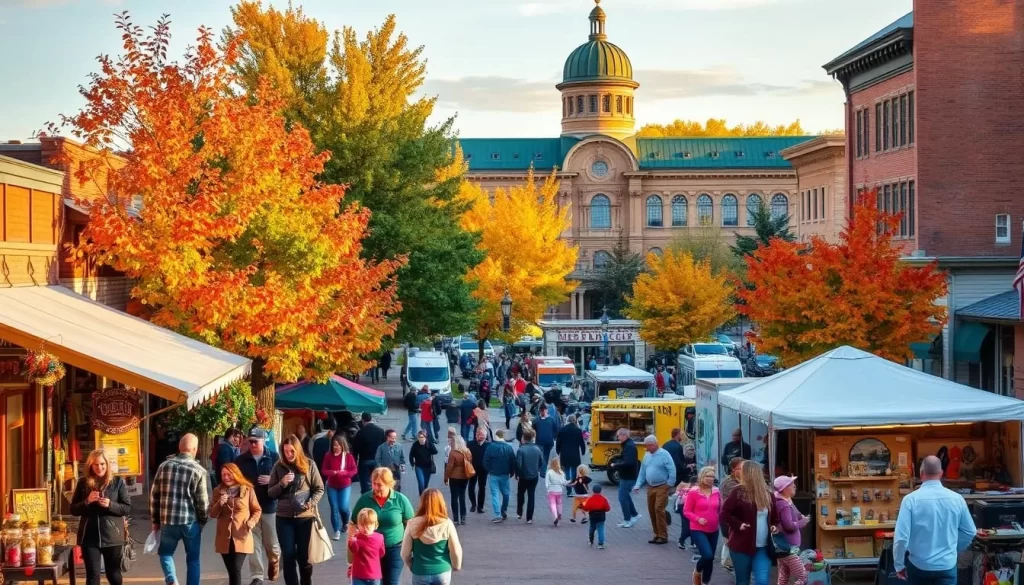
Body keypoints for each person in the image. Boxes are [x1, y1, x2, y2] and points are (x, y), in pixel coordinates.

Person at [893, 456, 978, 585]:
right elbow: (970, 531)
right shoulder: (957, 499)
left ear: (921, 474)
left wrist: (899, 565)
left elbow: (901, 538)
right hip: (947, 566)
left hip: (918, 566)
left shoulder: (910, 500)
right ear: (941, 473)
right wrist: (953, 549)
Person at [150, 433, 209, 585]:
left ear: (179, 447)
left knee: (165, 553)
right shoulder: (199, 470)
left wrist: (155, 521)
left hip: (168, 521)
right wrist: (202, 521)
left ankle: (171, 579)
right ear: (195, 449)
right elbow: (202, 502)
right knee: (193, 559)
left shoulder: (163, 466)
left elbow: (154, 496)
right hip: (190, 522)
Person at [268, 435, 325, 585]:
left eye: (292, 451)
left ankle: (306, 581)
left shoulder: (309, 465)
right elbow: (271, 493)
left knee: (304, 557)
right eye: (286, 451)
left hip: (304, 517)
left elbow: (319, 488)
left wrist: (311, 503)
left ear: (298, 450)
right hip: (284, 517)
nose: (289, 455)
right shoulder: (278, 466)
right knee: (288, 554)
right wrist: (282, 483)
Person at [71, 449, 132, 585]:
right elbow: (73, 509)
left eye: (102, 464)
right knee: (93, 575)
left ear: (107, 464)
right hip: (89, 537)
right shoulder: (83, 483)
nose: (99, 468)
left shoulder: (117, 482)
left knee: (113, 573)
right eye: (96, 465)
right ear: (90, 466)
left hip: (113, 536)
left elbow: (127, 508)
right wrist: (87, 501)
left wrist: (111, 505)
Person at [351, 468, 416, 585]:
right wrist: (351, 556)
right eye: (373, 484)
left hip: (395, 548)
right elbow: (353, 522)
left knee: (392, 582)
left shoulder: (400, 500)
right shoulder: (365, 499)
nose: (375, 488)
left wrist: (411, 546)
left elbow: (411, 524)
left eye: (379, 485)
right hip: (369, 551)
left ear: (389, 484)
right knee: (376, 582)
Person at [234, 428, 281, 585]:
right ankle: (257, 576)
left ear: (263, 441)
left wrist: (271, 480)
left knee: (272, 545)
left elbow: (284, 481)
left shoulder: (274, 458)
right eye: (250, 441)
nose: (252, 444)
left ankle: (274, 562)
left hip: (269, 506)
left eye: (255, 441)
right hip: (249, 509)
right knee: (253, 543)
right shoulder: (241, 460)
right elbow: (234, 481)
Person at [721, 460, 778, 585]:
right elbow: (724, 514)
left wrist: (774, 526)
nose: (739, 472)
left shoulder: (768, 493)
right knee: (743, 581)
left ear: (750, 473)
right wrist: (738, 524)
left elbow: (775, 518)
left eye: (742, 469)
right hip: (741, 545)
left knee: (762, 581)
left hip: (763, 547)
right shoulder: (738, 492)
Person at [210, 463, 262, 585]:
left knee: (236, 568)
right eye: (223, 475)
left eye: (229, 474)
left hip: (242, 535)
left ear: (236, 474)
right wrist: (219, 503)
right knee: (232, 571)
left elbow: (257, 510)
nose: (226, 478)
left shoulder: (248, 489)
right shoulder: (218, 491)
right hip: (224, 538)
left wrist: (251, 521)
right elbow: (212, 514)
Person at [401, 489, 464, 585]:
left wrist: (411, 566)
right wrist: (457, 565)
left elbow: (405, 553)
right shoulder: (446, 523)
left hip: (420, 571)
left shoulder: (412, 523)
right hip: (442, 570)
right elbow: (455, 550)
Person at [634, 434, 677, 545]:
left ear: (654, 444)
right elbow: (642, 471)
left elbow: (672, 469)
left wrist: (669, 484)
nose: (646, 448)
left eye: (647, 446)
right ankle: (657, 534)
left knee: (659, 509)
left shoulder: (664, 454)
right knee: (652, 510)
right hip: (650, 486)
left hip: (662, 485)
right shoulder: (647, 455)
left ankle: (663, 535)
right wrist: (638, 484)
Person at [685, 467, 721, 585]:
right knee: (707, 555)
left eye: (712, 476)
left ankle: (705, 582)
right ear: (702, 477)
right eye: (708, 476)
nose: (711, 479)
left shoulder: (716, 491)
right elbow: (686, 511)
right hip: (698, 529)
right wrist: (697, 519)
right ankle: (697, 571)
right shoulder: (694, 492)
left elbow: (720, 509)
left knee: (711, 558)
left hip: (714, 529)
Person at [774, 475, 810, 585]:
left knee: (784, 577)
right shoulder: (783, 505)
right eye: (791, 484)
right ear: (785, 489)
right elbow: (789, 525)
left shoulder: (785, 501)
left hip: (784, 547)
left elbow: (796, 513)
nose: (794, 486)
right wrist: (802, 522)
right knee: (803, 577)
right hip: (789, 547)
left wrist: (801, 516)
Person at [321, 435, 358, 540]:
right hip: (332, 486)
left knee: (343, 507)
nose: (335, 447)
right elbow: (324, 470)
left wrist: (346, 473)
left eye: (337, 445)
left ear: (342, 445)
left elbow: (354, 470)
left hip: (345, 485)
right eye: (333, 445)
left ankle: (345, 521)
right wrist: (332, 472)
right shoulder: (328, 456)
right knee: (334, 508)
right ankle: (336, 530)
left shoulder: (348, 456)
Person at [483, 429, 516, 523]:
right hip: (505, 474)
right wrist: (512, 472)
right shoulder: (509, 448)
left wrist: (490, 469)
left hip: (493, 474)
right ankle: (504, 510)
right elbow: (513, 461)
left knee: (495, 494)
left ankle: (498, 514)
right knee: (506, 494)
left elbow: (485, 461)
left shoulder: (490, 447)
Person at [609, 429, 641, 528]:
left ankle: (628, 519)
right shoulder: (628, 445)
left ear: (624, 435)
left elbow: (629, 462)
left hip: (628, 476)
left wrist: (616, 465)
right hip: (627, 475)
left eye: (618, 436)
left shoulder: (629, 446)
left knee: (622, 497)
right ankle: (634, 515)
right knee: (625, 496)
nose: (617, 438)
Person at [349, 509, 386, 585]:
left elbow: (353, 550)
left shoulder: (356, 538)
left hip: (359, 574)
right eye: (363, 525)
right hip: (374, 574)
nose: (366, 528)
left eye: (369, 524)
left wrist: (351, 537)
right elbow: (382, 553)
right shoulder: (380, 537)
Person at [719, 457, 744, 570]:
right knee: (730, 539)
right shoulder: (729, 483)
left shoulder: (742, 481)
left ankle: (729, 562)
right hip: (730, 517)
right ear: (733, 469)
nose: (743, 470)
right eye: (740, 468)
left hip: (738, 517)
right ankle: (728, 562)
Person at [353, 412, 387, 493]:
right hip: (377, 461)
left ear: (362, 420)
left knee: (365, 487)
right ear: (371, 419)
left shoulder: (361, 432)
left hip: (364, 461)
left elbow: (355, 449)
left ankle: (366, 501)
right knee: (377, 483)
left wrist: (354, 462)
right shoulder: (380, 431)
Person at [515, 429, 544, 524]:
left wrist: (517, 473)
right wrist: (537, 469)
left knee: (520, 494)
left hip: (523, 476)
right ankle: (529, 518)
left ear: (523, 438)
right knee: (531, 496)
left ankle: (519, 511)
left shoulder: (521, 450)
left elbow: (518, 464)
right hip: (534, 476)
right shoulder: (537, 449)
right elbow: (541, 462)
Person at [443, 435, 473, 525]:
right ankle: (463, 516)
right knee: (462, 496)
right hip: (464, 477)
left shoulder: (453, 453)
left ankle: (456, 518)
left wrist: (446, 478)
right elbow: (470, 462)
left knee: (454, 497)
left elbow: (449, 467)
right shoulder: (467, 451)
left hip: (454, 477)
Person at [555, 414, 586, 497]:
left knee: (566, 470)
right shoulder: (578, 430)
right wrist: (583, 451)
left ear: (567, 420)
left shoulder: (562, 430)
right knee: (574, 471)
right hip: (575, 454)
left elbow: (558, 442)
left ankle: (569, 490)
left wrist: (558, 450)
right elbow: (581, 442)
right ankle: (572, 488)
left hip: (564, 453)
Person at [581, 483, 612, 549]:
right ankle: (600, 544)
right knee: (601, 529)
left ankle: (591, 540)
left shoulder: (590, 499)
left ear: (593, 491)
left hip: (593, 516)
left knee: (592, 528)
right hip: (601, 517)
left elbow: (586, 508)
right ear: (600, 491)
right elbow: (608, 509)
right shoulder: (603, 499)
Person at [467, 428, 490, 514]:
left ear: (485, 436)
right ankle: (473, 504)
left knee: (482, 487)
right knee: (471, 486)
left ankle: (480, 507)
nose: (479, 436)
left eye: (482, 434)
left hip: (483, 470)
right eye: (478, 434)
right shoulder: (470, 444)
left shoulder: (489, 445)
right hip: (472, 469)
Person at [409, 430, 438, 495]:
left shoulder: (429, 444)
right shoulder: (415, 445)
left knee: (425, 484)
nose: (421, 439)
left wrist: (430, 444)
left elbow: (435, 452)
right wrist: (412, 464)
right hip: (419, 467)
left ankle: (424, 496)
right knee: (421, 483)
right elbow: (411, 455)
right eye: (419, 437)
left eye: (422, 437)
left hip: (428, 467)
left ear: (425, 438)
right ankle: (422, 497)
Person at [533, 404, 560, 468]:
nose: (543, 412)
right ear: (540, 411)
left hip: (548, 442)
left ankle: (542, 468)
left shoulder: (550, 419)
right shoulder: (536, 420)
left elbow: (555, 430)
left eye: (544, 410)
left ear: (547, 410)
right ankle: (543, 470)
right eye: (542, 411)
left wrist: (552, 437)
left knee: (546, 456)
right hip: (540, 442)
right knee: (542, 456)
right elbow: (533, 431)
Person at [544, 458, 569, 526]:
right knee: (559, 502)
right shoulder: (561, 472)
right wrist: (570, 482)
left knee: (552, 504)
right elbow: (564, 482)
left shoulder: (549, 472)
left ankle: (555, 517)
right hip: (559, 490)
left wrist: (548, 489)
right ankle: (560, 513)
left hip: (551, 490)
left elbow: (547, 482)